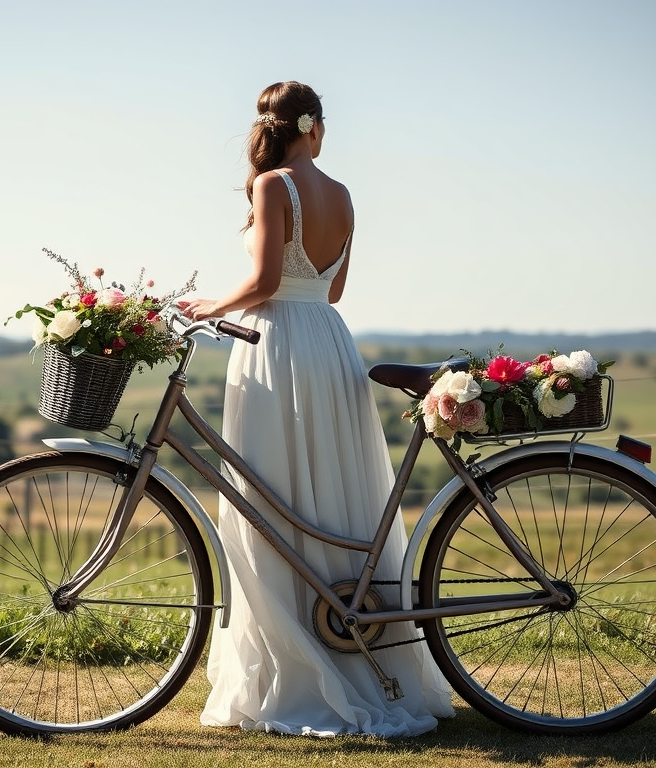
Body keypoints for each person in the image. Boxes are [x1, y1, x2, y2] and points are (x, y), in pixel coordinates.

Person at [178, 81, 454, 737]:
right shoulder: (344, 195)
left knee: (272, 500)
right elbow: (332, 292)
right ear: (316, 128)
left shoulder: (273, 186)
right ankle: (358, 647)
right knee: (332, 497)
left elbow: (268, 282)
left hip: (276, 348)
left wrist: (210, 306)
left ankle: (296, 670)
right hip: (329, 345)